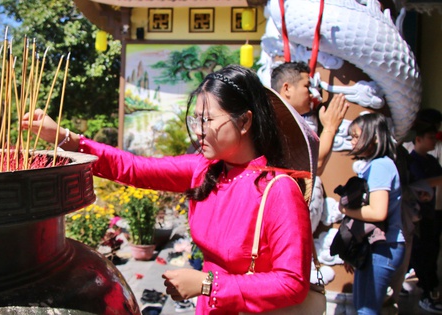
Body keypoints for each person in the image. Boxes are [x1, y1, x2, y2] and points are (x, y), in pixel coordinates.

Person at [21, 65, 318, 314]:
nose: (198, 130)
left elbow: (292, 283)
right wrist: (66, 138)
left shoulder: (278, 190)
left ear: (244, 122)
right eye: (195, 119)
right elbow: (135, 168)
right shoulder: (203, 170)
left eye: (207, 120)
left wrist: (208, 284)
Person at [340, 113, 405, 314]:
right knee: (362, 307)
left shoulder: (380, 165)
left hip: (384, 248)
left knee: (366, 310)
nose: (352, 141)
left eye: (357, 136)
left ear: (375, 137)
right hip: (374, 248)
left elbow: (378, 212)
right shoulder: (374, 166)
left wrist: (345, 209)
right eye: (351, 136)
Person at [270, 61, 348, 176]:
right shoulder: (275, 122)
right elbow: (315, 165)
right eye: (307, 86)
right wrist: (330, 128)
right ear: (287, 88)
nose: (312, 94)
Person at [407, 121, 442, 313]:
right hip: (415, 217)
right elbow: (419, 184)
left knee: (431, 250)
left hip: (431, 214)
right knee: (422, 254)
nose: (434, 141)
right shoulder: (411, 162)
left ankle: (429, 290)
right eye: (430, 137)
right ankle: (426, 294)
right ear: (418, 139)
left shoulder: (431, 161)